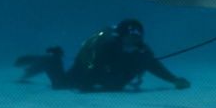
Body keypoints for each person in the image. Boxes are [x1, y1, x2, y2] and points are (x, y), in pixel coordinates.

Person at [16, 18, 189, 92]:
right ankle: (52, 59)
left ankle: (50, 59)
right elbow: (91, 73)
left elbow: (154, 65)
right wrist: (90, 86)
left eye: (137, 38)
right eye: (130, 37)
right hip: (83, 73)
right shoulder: (107, 46)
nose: (133, 42)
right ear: (121, 36)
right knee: (60, 85)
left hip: (107, 81)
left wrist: (174, 80)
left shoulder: (142, 51)